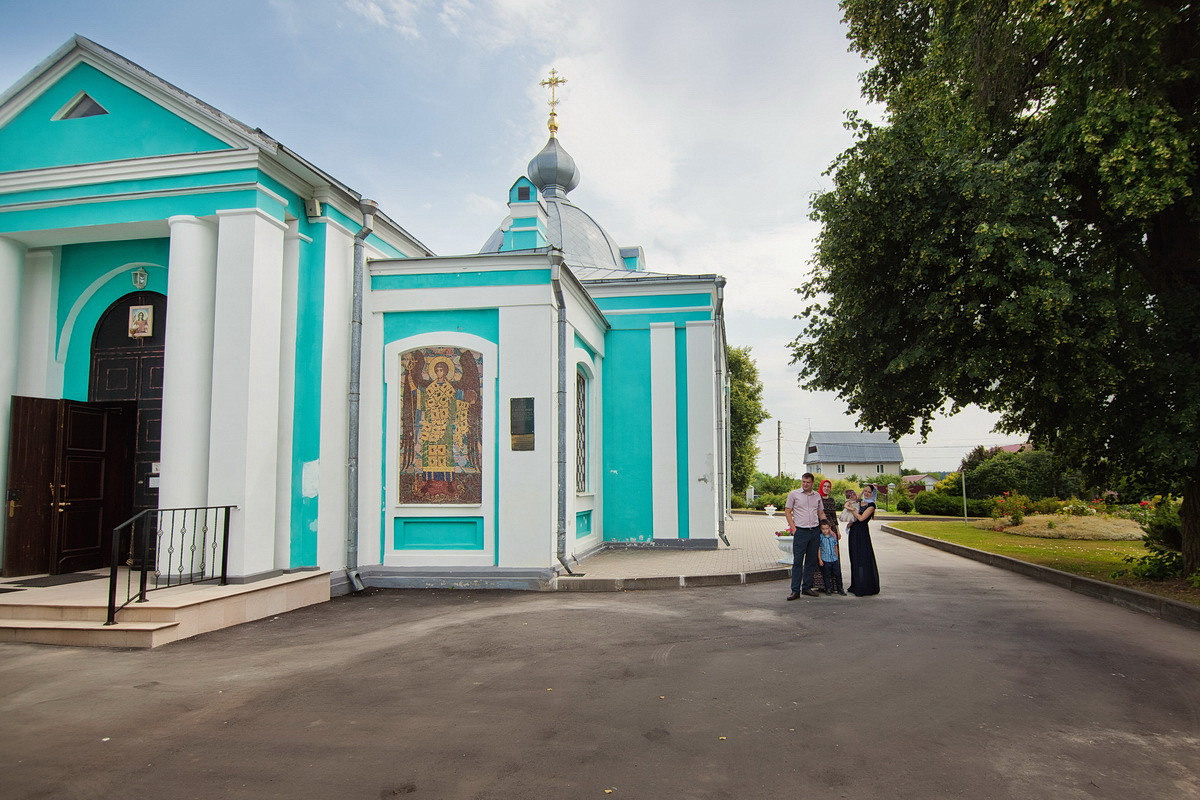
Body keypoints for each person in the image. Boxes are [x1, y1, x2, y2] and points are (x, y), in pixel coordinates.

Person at [784, 472, 827, 600]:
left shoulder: (817, 496)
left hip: (814, 531)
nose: (805, 484)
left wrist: (828, 527)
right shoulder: (794, 494)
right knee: (798, 561)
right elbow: (787, 511)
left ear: (812, 483)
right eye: (803, 482)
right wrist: (793, 528)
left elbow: (820, 512)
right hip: (801, 531)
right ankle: (795, 590)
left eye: (808, 482)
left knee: (811, 561)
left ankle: (807, 587)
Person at [845, 483, 881, 597]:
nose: (866, 493)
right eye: (865, 491)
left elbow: (861, 518)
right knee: (854, 558)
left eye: (869, 492)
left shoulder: (871, 505)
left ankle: (865, 586)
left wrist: (851, 509)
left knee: (862, 558)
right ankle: (856, 584)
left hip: (862, 534)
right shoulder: (860, 502)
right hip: (854, 532)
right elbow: (852, 503)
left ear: (872, 494)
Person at [817, 519, 845, 595]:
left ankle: (840, 589)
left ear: (829, 528)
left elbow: (835, 547)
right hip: (825, 559)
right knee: (827, 575)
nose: (825, 531)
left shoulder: (833, 537)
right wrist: (820, 559)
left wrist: (837, 557)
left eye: (827, 528)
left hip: (834, 559)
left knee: (838, 575)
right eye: (823, 529)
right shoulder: (820, 537)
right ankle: (828, 589)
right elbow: (819, 548)